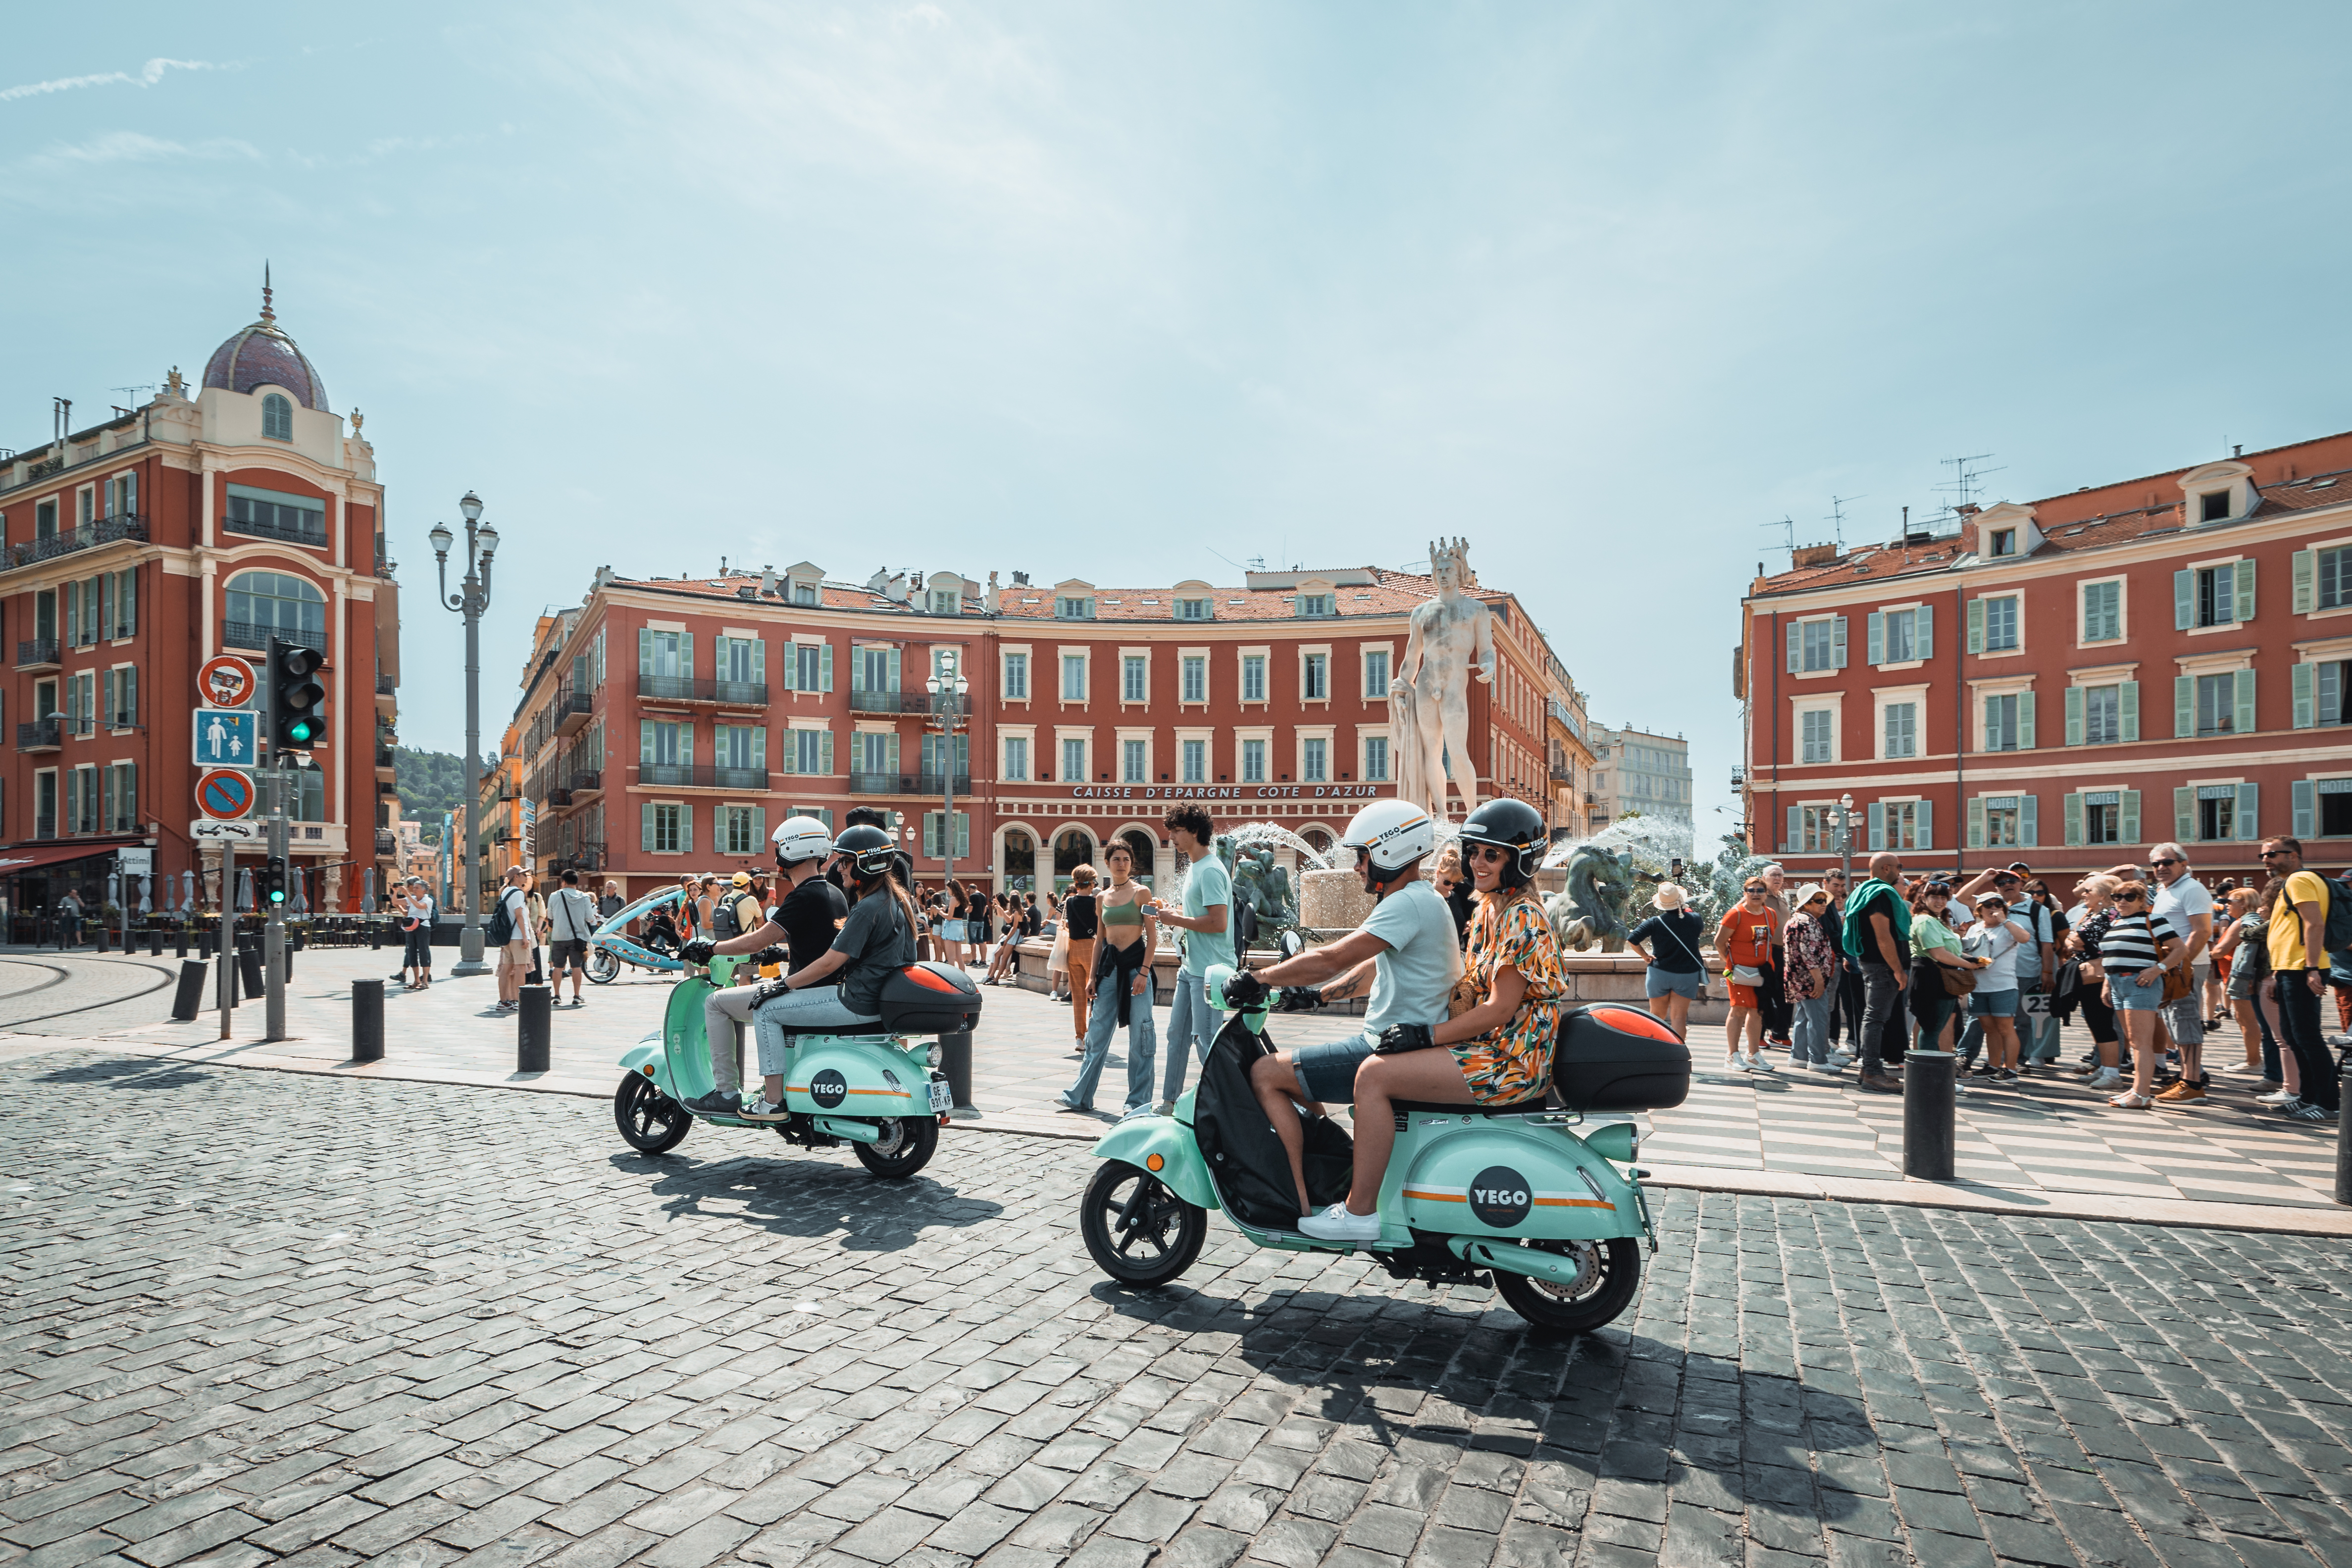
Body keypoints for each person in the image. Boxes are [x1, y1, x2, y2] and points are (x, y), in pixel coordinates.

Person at [1289, 798, 1563, 1244]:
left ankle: (1359, 1213)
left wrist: (1425, 1033)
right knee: (1381, 1069)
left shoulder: (1522, 917)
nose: (1477, 862)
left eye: (1491, 854)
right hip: (1493, 1048)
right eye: (1474, 851)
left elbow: (1498, 1010)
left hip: (1510, 1061)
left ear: (1520, 859)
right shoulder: (1492, 910)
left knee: (1374, 1077)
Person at [1226, 800, 1459, 1221]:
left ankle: (1296, 1196)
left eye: (1362, 856)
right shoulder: (1422, 898)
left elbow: (1334, 956)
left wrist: (1260, 978)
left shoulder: (1406, 903)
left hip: (1386, 1050)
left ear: (1390, 852)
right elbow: (1373, 966)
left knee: (1264, 1073)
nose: (1357, 867)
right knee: (1296, 1077)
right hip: (1391, 1043)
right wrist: (1317, 998)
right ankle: (1330, 1173)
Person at [712, 824, 915, 1120]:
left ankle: (772, 1102)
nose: (838, 867)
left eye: (844, 861)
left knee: (765, 1009)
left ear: (863, 864)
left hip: (856, 999)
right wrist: (784, 954)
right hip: (877, 998)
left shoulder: (867, 907)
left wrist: (782, 985)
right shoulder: (897, 902)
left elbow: (830, 962)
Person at [680, 817, 847, 1116]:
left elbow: (755, 941)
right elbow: (819, 943)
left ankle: (726, 1093)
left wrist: (710, 948)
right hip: (827, 991)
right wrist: (781, 956)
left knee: (716, 1003)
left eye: (779, 848)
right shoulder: (835, 893)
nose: (776, 857)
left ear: (792, 850)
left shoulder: (803, 895)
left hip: (804, 994)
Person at [1058, 844, 1159, 1115]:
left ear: (1131, 863)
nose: (1122, 864)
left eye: (1127, 859)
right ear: (1107, 863)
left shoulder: (1143, 893)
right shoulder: (1101, 898)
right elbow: (1099, 940)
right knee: (1097, 1035)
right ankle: (1079, 1097)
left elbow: (1152, 937)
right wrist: (1092, 977)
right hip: (1110, 971)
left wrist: (1144, 972)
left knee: (1141, 1037)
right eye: (1116, 859)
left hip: (1137, 969)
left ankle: (1138, 1103)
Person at [1145, 805, 1232, 1112]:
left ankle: (1222, 1108)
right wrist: (1174, 912)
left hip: (1210, 972)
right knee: (1177, 1036)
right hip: (1191, 967)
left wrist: (1175, 921)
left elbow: (1218, 923)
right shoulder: (1196, 867)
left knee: (1206, 1042)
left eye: (1177, 831)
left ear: (1195, 831)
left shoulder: (1209, 870)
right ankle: (1170, 1101)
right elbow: (1202, 916)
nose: (1171, 838)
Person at [2259, 837, 2338, 1123]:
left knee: (2307, 1037)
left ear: (2293, 855)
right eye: (2263, 855)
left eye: (2272, 854)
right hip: (2290, 969)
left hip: (2302, 969)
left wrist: (2312, 968)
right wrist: (2279, 973)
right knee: (2294, 1036)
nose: (2265, 859)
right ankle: (2307, 1097)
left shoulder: (2300, 880)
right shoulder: (2291, 882)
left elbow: (2314, 923)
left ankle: (2329, 1103)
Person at [2099, 880, 2185, 1110]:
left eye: (2129, 897)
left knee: (2140, 1043)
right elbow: (2113, 956)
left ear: (2142, 900)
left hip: (2140, 983)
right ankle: (2137, 1089)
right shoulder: (2117, 921)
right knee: (2134, 1041)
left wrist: (2159, 969)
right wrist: (2107, 984)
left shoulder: (2154, 920)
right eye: (2117, 897)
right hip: (2118, 983)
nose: (2122, 901)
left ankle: (2142, 1094)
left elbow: (2180, 949)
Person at [2144, 844, 2215, 1101]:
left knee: (2186, 1022)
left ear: (2183, 864)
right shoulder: (2166, 890)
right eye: (2156, 864)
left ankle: (2193, 1084)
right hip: (2174, 967)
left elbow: (2202, 932)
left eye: (2168, 862)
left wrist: (2178, 966)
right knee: (2176, 1025)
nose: (2161, 868)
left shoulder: (2192, 888)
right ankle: (2186, 1078)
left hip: (2187, 967)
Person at [1842, 852, 1910, 1093]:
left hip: (1872, 963)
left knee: (1873, 1017)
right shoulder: (1880, 894)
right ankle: (1872, 1071)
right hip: (1882, 966)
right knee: (1875, 1018)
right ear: (1886, 868)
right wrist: (1898, 969)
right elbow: (1883, 936)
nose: (1900, 872)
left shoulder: (1863, 891)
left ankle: (1869, 1069)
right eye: (1899, 867)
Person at [1960, 894, 2034, 1081]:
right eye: (1988, 905)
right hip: (1979, 986)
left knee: (2006, 1028)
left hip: (2004, 986)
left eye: (1998, 904)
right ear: (1979, 910)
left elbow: (2025, 938)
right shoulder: (1975, 929)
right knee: (1989, 1029)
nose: (1993, 907)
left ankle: (2010, 1070)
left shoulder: (2009, 927)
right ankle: (1993, 1066)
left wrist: (2004, 920)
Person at [2061, 873, 2125, 1089]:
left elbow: (2077, 940)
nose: (2084, 894)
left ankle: (2112, 1072)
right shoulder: (2092, 913)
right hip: (2087, 974)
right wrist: (2074, 941)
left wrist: (2074, 941)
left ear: (2103, 895)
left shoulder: (2107, 915)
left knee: (2103, 1023)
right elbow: (2071, 939)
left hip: (2098, 976)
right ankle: (2105, 1068)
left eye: (2089, 891)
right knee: (2094, 1021)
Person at [1715, 878, 1781, 1074]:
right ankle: (1732, 1055)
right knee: (1739, 1010)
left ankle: (1753, 1055)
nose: (1756, 894)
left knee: (1758, 1011)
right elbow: (1719, 941)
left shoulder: (1771, 914)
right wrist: (1731, 962)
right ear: (1745, 893)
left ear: (1766, 894)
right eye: (1751, 890)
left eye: (1761, 890)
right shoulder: (1735, 914)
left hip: (1762, 972)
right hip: (1740, 973)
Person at [1627, 883, 1706, 1041]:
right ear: (1681, 901)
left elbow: (1632, 939)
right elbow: (1693, 927)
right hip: (1687, 974)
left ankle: (1657, 1051)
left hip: (1659, 973)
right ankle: (1678, 1050)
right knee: (1679, 1018)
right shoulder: (1696, 920)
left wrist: (1644, 956)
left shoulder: (1655, 922)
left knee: (1656, 1017)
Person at [1907, 882, 1979, 1052]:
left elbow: (1951, 951)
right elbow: (1939, 954)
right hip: (1930, 976)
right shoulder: (1925, 920)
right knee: (1931, 1028)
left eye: (1943, 898)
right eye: (1935, 897)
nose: (1939, 901)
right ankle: (1927, 1073)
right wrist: (1969, 965)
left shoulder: (1938, 919)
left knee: (1935, 1028)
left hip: (1942, 976)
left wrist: (1974, 960)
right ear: (1924, 898)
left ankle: (1930, 1070)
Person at [2214, 886, 2276, 1083]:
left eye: (2230, 902)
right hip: (2251, 977)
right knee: (2252, 1022)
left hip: (2244, 978)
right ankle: (2256, 1061)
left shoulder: (2242, 923)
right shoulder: (2256, 921)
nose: (2227, 907)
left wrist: (2206, 955)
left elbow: (2220, 950)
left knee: (2247, 1021)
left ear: (2244, 904)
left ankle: (2254, 1062)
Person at [1783, 885, 1838, 1070]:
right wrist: (1819, 981)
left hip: (1799, 978)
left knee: (1803, 1018)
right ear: (1806, 904)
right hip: (1810, 979)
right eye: (1819, 901)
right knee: (1818, 1019)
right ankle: (1818, 1060)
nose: (1824, 905)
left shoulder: (1796, 920)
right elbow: (1809, 955)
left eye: (1825, 901)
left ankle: (1798, 1056)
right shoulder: (1807, 923)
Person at [1819, 867, 1859, 1065]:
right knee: (1825, 1009)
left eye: (1843, 886)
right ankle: (1822, 1052)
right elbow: (1830, 935)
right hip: (1827, 963)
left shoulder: (1831, 905)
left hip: (1834, 960)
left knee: (1827, 1007)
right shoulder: (1823, 905)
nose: (1839, 890)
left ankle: (1823, 1050)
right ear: (1825, 883)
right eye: (1836, 885)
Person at [1755, 863, 1795, 1053]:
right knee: (1764, 993)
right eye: (1773, 875)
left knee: (1786, 994)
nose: (1778, 879)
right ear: (1764, 877)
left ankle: (1780, 1034)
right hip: (1767, 952)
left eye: (1780, 875)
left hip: (1783, 951)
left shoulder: (1783, 897)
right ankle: (1758, 1035)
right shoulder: (1759, 896)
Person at [545, 868, 599, 1007]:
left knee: (558, 967)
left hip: (559, 936)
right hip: (578, 937)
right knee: (576, 967)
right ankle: (577, 995)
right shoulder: (585, 898)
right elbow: (589, 917)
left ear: (563, 882)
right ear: (576, 882)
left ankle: (557, 996)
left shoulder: (554, 896)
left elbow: (550, 916)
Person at [1060, 868, 1098, 1044]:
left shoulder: (1069, 901)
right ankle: (1092, 1033)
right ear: (1091, 883)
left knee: (1078, 996)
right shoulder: (1096, 901)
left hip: (1073, 949)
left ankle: (1079, 1037)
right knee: (1095, 993)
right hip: (1091, 949)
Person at [492, 865, 532, 1012]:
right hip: (517, 936)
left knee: (506, 968)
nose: (526, 876)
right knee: (520, 968)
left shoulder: (504, 892)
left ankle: (504, 1001)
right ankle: (517, 1001)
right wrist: (525, 936)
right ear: (516, 877)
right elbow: (519, 915)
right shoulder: (518, 893)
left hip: (507, 937)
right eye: (523, 874)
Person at [398, 876, 435, 991]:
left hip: (423, 928)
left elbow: (419, 906)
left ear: (424, 890)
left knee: (424, 952)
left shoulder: (428, 900)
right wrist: (395, 892)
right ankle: (416, 981)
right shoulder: (411, 898)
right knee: (411, 952)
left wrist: (407, 894)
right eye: (414, 887)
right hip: (411, 927)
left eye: (417, 888)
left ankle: (425, 981)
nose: (414, 889)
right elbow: (395, 902)